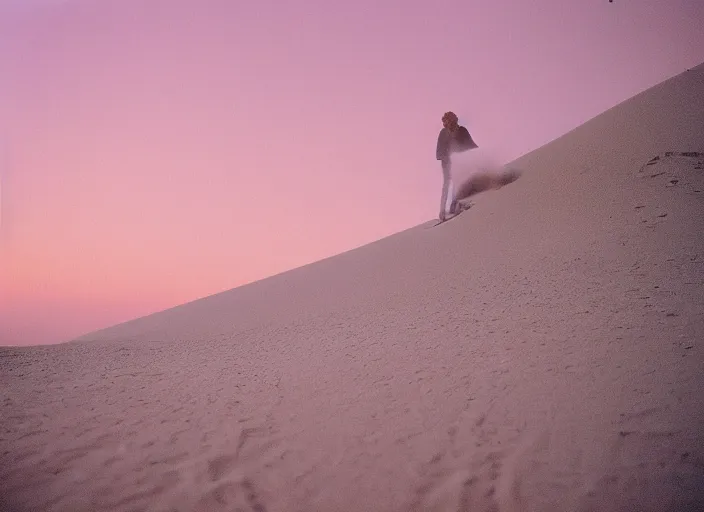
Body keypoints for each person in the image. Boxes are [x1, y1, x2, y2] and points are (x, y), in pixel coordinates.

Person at [435, 111, 478, 221]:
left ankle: (454, 206)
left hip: (458, 162)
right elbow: (438, 153)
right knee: (447, 184)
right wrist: (447, 156)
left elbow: (471, 145)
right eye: (447, 123)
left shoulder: (462, 131)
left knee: (458, 181)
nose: (450, 125)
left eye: (451, 122)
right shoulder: (443, 133)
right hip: (447, 163)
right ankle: (442, 212)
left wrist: (480, 154)